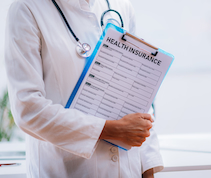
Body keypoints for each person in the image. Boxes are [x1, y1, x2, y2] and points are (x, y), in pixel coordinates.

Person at [5, 0, 163, 177]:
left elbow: (139, 95)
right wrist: (110, 129)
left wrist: (148, 170)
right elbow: (28, 109)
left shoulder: (121, 6)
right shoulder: (26, 9)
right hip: (66, 170)